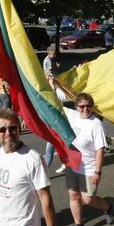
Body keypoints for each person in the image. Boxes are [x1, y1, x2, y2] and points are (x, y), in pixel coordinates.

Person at [62, 93, 114, 226]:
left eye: (88, 106)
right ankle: (79, 225)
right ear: (76, 106)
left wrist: (97, 172)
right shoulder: (72, 115)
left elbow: (100, 150)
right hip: (72, 163)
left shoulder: (95, 124)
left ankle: (109, 207)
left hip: (89, 167)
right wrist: (51, 82)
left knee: (88, 199)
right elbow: (52, 103)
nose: (85, 109)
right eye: (82, 106)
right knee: (74, 195)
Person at [42, 45, 67, 174]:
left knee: (53, 148)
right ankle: (45, 170)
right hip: (55, 125)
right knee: (52, 148)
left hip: (57, 125)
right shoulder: (47, 61)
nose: (55, 54)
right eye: (54, 52)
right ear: (50, 52)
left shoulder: (57, 93)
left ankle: (45, 171)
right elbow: (49, 74)